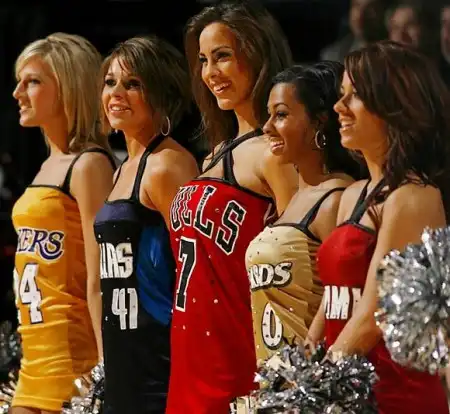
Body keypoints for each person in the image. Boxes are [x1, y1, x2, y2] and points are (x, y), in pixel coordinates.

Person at [167, 2, 299, 414]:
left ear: (258, 53)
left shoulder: (274, 155)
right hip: (189, 355)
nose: (210, 72)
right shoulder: (213, 154)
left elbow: (302, 263)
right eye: (204, 60)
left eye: (222, 56)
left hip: (241, 360)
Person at [316, 40, 450, 413]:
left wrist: (314, 387)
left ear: (395, 106)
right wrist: (302, 366)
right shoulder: (353, 194)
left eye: (355, 95)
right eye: (341, 94)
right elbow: (332, 301)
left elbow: (374, 315)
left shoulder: (414, 196)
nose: (339, 107)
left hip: (394, 396)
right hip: (346, 391)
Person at [11, 33, 116, 413]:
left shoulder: (89, 165)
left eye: (32, 82)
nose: (18, 93)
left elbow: (102, 277)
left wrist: (107, 369)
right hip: (33, 361)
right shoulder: (47, 166)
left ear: (67, 88)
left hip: (74, 363)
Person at [94, 35, 199, 414]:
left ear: (162, 93)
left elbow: (194, 273)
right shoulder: (123, 168)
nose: (116, 93)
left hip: (158, 364)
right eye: (110, 82)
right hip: (123, 362)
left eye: (133, 83)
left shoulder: (168, 165)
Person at [245, 62, 363, 363]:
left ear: (319, 122)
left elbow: (344, 299)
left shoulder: (337, 198)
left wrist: (309, 373)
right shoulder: (294, 200)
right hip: (272, 378)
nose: (267, 127)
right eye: (269, 115)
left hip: (310, 379)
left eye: (281, 115)